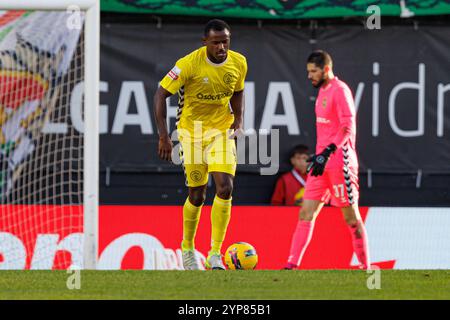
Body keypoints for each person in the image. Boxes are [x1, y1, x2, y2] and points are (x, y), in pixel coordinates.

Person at [153, 19, 247, 270]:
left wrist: (238, 119)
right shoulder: (188, 64)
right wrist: (164, 136)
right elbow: (160, 93)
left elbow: (238, 91)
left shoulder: (239, 63)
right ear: (204, 42)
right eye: (215, 42)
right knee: (197, 194)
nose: (221, 47)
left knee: (225, 187)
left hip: (221, 131)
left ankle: (215, 253)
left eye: (225, 42)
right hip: (191, 133)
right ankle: (187, 248)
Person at [284, 50, 370, 270]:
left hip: (340, 162)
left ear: (326, 69)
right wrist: (320, 155)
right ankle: (291, 265)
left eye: (313, 71)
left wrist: (328, 151)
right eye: (308, 71)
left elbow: (347, 127)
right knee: (306, 213)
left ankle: (365, 266)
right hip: (321, 164)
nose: (309, 76)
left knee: (351, 217)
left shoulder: (340, 91)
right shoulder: (322, 91)